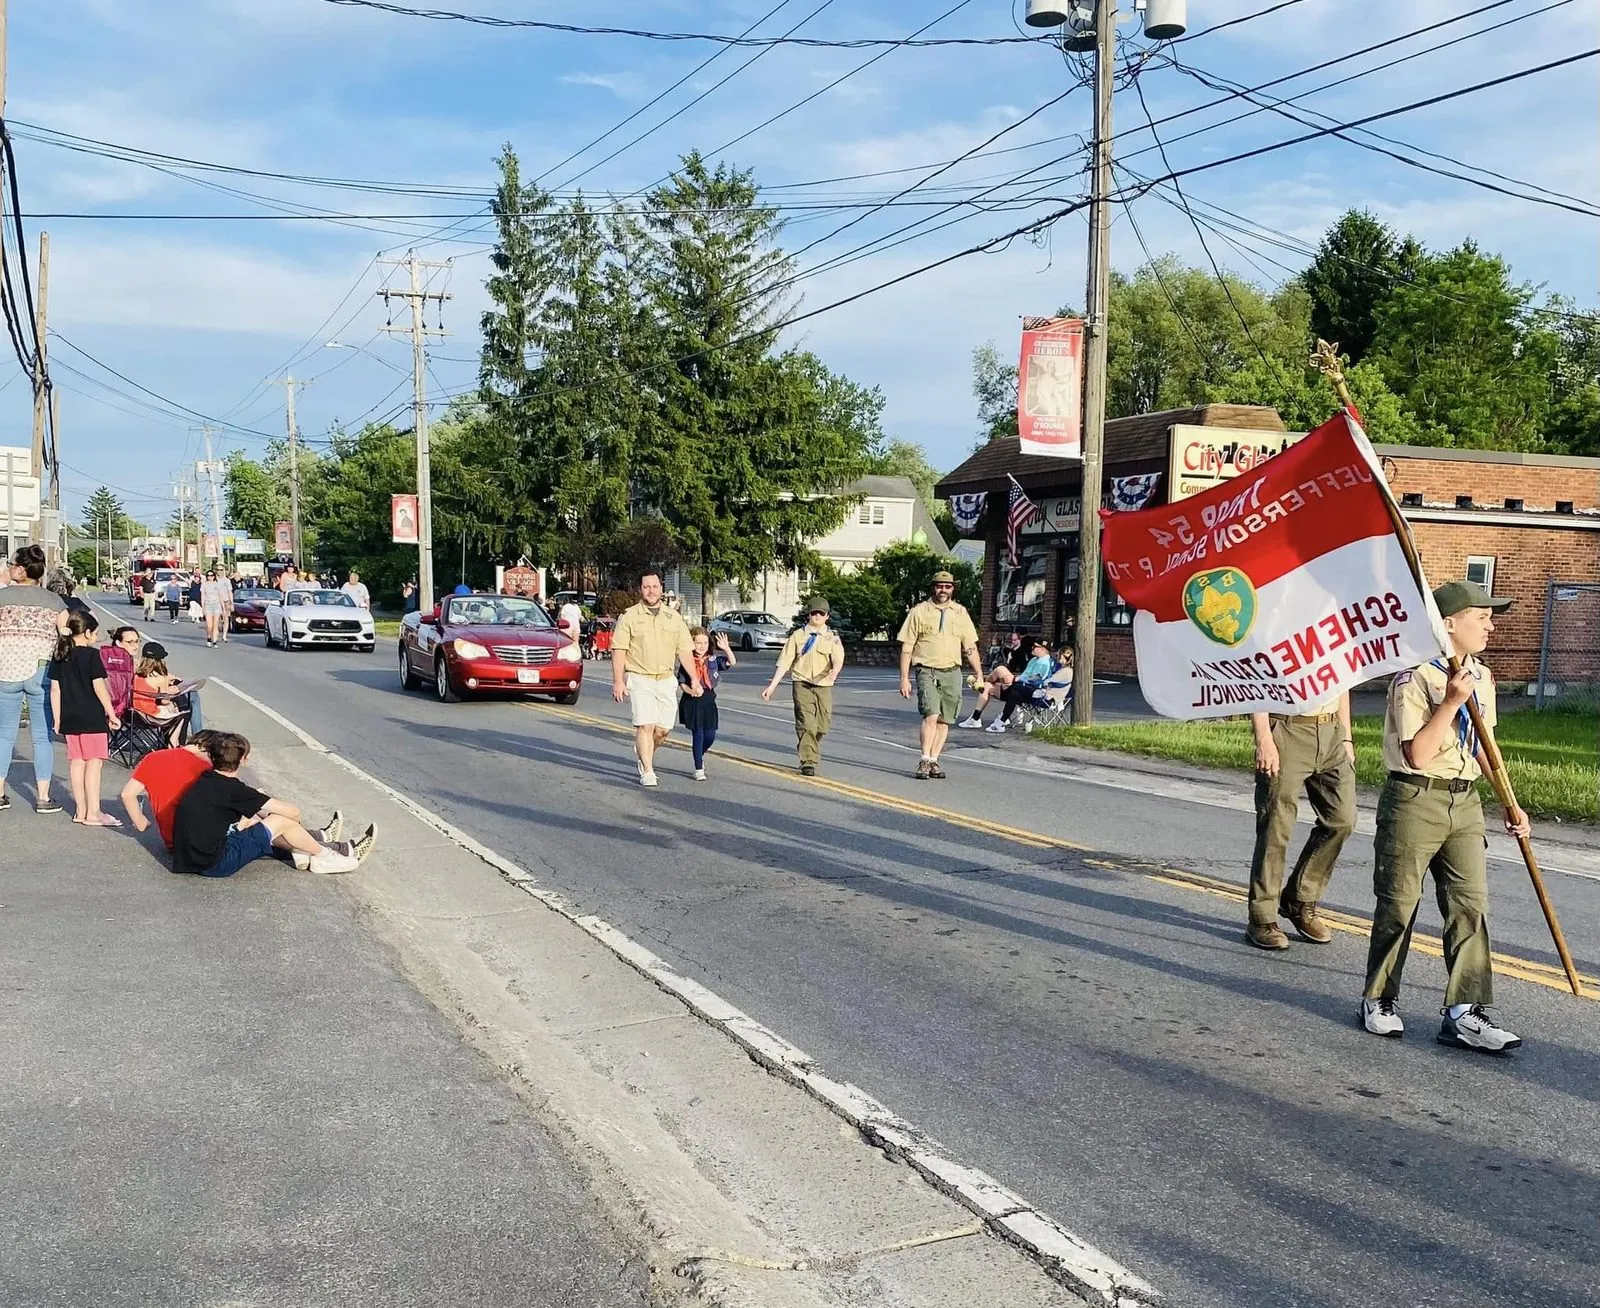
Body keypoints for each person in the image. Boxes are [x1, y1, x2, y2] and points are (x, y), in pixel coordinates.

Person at [1361, 580, 1528, 1053]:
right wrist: (1452, 702)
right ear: (1449, 624)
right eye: (1481, 617)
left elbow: (1484, 749)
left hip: (1465, 801)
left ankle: (1465, 1014)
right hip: (1416, 799)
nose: (1490, 626)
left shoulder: (1483, 676)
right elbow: (1417, 753)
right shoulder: (1415, 677)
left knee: (1469, 907)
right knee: (1399, 903)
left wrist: (1509, 803)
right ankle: (1379, 999)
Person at [172, 731, 375, 877]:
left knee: (262, 824)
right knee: (280, 821)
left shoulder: (205, 779)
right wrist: (272, 814)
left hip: (190, 858)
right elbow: (293, 813)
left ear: (212, 758)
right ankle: (326, 855)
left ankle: (308, 848)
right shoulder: (234, 790)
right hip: (215, 863)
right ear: (244, 759)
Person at [1244, 693, 1356, 951]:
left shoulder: (1334, 648)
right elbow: (1256, 682)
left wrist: (1346, 736)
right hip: (1287, 728)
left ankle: (1299, 899)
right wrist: (1263, 738)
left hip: (1332, 732)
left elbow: (1343, 683)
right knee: (1276, 827)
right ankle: (1262, 918)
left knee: (1342, 819)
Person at [611, 572, 700, 787]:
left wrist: (695, 679)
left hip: (666, 679)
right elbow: (619, 649)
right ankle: (648, 770)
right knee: (646, 725)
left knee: (662, 730)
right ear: (640, 589)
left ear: (661, 589)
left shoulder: (673, 617)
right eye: (646, 587)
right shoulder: (629, 616)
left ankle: (644, 750)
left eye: (654, 586)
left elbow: (685, 651)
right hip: (640, 678)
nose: (650, 590)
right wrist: (618, 681)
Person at [0, 544, 68, 813]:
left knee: (4, 735)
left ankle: (0, 793)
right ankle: (43, 797)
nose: (8, 568)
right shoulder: (54, 602)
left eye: (11, 564)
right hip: (41, 672)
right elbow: (67, 632)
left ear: (20, 569)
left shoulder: (2, 598)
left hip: (5, 670)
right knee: (42, 737)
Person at [897, 570, 984, 780]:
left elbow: (970, 646)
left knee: (945, 720)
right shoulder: (919, 612)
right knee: (931, 714)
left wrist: (979, 673)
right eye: (939, 586)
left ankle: (935, 759)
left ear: (953, 589)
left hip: (952, 671)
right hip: (927, 670)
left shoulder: (960, 613)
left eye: (947, 586)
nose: (943, 590)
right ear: (933, 587)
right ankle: (925, 759)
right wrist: (904, 678)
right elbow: (907, 647)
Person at [49, 611, 122, 827]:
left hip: (69, 716)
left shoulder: (61, 655)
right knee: (94, 763)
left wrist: (57, 719)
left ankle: (80, 810)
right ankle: (94, 812)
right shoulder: (91, 656)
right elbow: (99, 686)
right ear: (87, 632)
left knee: (77, 762)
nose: (97, 637)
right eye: (96, 632)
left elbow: (55, 689)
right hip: (92, 716)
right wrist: (111, 713)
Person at [762, 598, 845, 776]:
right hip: (801, 682)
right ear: (809, 614)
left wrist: (835, 671)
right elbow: (784, 662)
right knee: (807, 723)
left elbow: (838, 658)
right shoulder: (798, 636)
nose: (817, 616)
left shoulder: (832, 637)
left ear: (827, 616)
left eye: (821, 614)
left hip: (823, 684)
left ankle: (809, 745)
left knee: (822, 726)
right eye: (814, 613)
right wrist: (772, 686)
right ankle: (808, 760)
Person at [678, 628, 736, 781]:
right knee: (698, 733)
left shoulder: (712, 659)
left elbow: (731, 662)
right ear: (692, 643)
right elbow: (682, 682)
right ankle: (698, 768)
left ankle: (700, 755)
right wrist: (691, 691)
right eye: (698, 642)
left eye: (704, 643)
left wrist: (726, 648)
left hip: (709, 699)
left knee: (710, 735)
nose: (701, 646)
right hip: (693, 700)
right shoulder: (687, 660)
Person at [974, 638, 1057, 733]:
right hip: (1022, 688)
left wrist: (1018, 680)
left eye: (1035, 646)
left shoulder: (1044, 663)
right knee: (990, 686)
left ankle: (1001, 721)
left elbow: (1036, 680)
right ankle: (996, 721)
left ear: (1042, 649)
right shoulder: (1034, 660)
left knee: (1004, 674)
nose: (1032, 648)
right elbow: (1025, 675)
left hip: (1034, 692)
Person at [957, 632, 1031, 728]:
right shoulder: (1010, 651)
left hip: (1020, 683)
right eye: (1011, 640)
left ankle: (979, 681)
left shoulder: (1026, 655)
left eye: (1015, 640)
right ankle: (975, 718)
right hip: (1011, 684)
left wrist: (1018, 678)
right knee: (986, 686)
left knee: (1000, 669)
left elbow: (1031, 676)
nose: (1012, 642)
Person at [133, 641, 204, 736]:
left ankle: (173, 740)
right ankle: (177, 741)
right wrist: (173, 692)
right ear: (160, 661)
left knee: (181, 704)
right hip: (152, 716)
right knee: (183, 710)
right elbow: (164, 702)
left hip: (134, 713)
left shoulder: (136, 675)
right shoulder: (161, 678)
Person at [101, 626, 140, 719]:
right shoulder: (135, 663)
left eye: (137, 641)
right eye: (130, 642)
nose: (136, 646)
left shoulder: (103, 657)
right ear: (118, 643)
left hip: (102, 705)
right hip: (126, 708)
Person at [200, 569, 231, 646]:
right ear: (206, 577)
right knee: (209, 625)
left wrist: (223, 608)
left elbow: (220, 596)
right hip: (208, 605)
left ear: (214, 576)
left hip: (216, 605)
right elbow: (203, 596)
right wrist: (202, 607)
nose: (210, 577)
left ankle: (214, 641)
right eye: (208, 575)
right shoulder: (204, 585)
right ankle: (209, 637)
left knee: (215, 624)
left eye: (212, 575)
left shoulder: (217, 585)